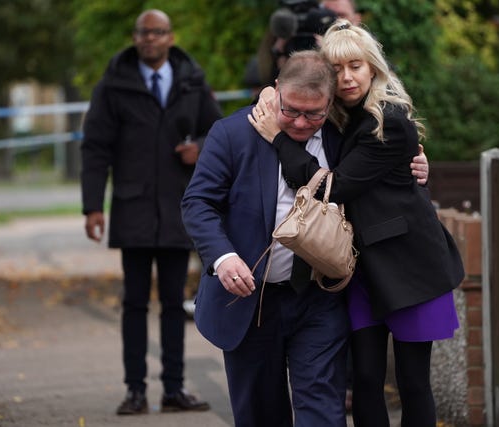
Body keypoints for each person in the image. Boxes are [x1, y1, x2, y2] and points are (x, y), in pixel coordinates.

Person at [249, 19, 464, 427]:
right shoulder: (339, 117)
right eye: (337, 69)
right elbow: (287, 88)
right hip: (364, 269)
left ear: (373, 68)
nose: (346, 77)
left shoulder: (389, 120)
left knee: (412, 381)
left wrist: (277, 138)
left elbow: (337, 187)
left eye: (356, 66)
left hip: (411, 267)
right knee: (364, 379)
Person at [181, 50, 350, 427]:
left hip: (319, 298)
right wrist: (223, 258)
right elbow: (197, 203)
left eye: (314, 114)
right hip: (249, 302)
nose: (302, 123)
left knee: (322, 408)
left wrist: (413, 163)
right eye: (291, 110)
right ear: (275, 90)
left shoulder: (343, 138)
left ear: (330, 103)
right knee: (259, 413)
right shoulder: (232, 133)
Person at [80, 9, 221, 416]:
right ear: (135, 36)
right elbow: (95, 147)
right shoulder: (114, 84)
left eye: (158, 33)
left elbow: (220, 131)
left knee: (175, 304)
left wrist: (201, 149)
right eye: (144, 33)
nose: (150, 40)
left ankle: (174, 390)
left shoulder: (192, 80)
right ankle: (135, 391)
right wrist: (92, 206)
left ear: (170, 38)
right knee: (135, 303)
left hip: (179, 207)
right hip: (133, 208)